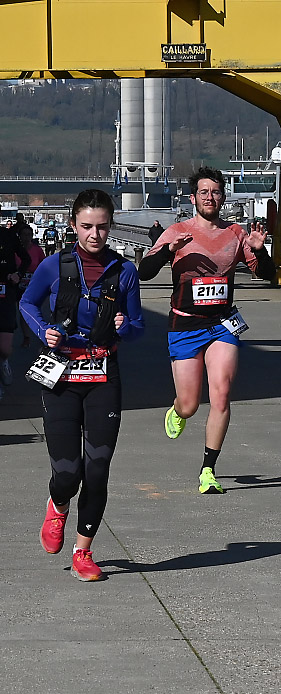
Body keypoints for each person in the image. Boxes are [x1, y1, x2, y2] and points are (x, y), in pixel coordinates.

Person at [20, 189, 144, 581]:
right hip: (61, 373)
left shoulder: (124, 272)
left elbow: (138, 326)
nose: (95, 235)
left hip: (104, 374)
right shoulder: (54, 266)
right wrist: (44, 331)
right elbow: (27, 304)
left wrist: (125, 326)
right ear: (73, 224)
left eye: (102, 227)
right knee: (68, 472)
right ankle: (58, 505)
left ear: (111, 226)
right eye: (87, 226)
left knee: (98, 468)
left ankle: (83, 551)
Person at [139, 166, 275, 494]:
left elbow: (268, 274)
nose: (210, 197)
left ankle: (208, 469)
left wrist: (259, 250)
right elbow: (144, 272)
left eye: (215, 192)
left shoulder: (236, 234)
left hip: (222, 325)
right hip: (184, 325)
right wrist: (169, 251)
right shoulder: (177, 232)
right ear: (193, 198)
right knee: (189, 404)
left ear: (223, 197)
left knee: (222, 393)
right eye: (204, 192)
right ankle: (178, 410)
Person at [0, 223, 31, 401]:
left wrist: (18, 274)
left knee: (4, 348)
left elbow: (26, 259)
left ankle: (4, 361)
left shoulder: (8, 235)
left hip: (5, 291)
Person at [15, 224, 46, 347]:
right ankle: (26, 337)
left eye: (29, 235)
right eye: (24, 235)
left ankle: (42, 335)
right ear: (19, 236)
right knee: (23, 310)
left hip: (34, 284)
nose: (26, 237)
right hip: (18, 284)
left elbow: (44, 265)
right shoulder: (15, 250)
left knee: (36, 310)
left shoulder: (37, 250)